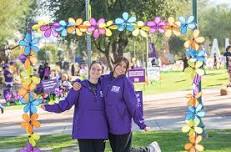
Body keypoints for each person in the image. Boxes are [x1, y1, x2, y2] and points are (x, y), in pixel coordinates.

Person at [73, 57, 161, 152]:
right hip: (109, 127)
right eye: (120, 65)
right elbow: (91, 80)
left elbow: (133, 105)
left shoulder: (126, 83)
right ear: (115, 65)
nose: (122, 68)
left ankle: (149, 149)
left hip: (122, 125)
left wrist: (141, 123)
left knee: (123, 151)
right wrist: (76, 82)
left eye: (125, 67)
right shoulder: (104, 79)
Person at [41, 61, 108, 152]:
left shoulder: (105, 87)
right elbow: (66, 104)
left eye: (99, 69)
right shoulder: (79, 86)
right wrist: (49, 107)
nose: (96, 71)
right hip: (84, 130)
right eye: (93, 69)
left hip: (100, 130)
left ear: (102, 72)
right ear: (89, 70)